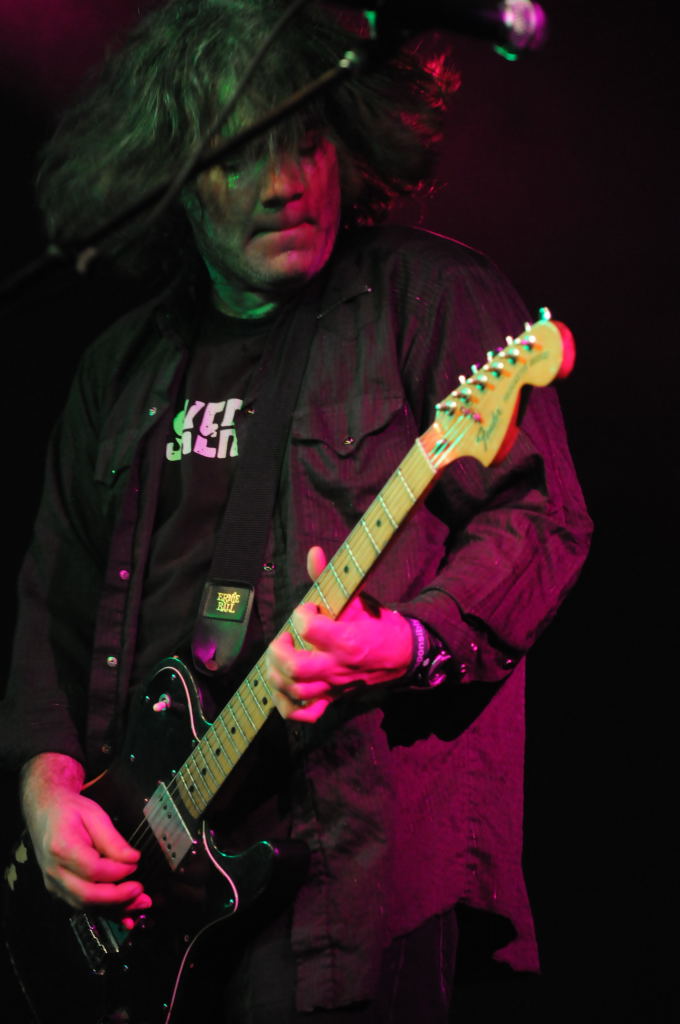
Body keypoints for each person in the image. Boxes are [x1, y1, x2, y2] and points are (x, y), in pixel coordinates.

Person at [0, 1, 592, 1021]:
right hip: (145, 891)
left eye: (306, 141)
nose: (284, 183)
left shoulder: (433, 298)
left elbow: (540, 524)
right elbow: (54, 601)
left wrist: (404, 642)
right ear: (176, 179)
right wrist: (47, 788)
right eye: (240, 157)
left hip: (350, 877)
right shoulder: (118, 368)